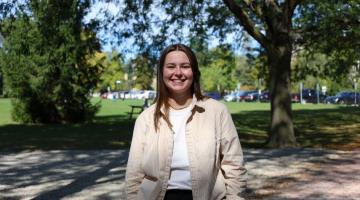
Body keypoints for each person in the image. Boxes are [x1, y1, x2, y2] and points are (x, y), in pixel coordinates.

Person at [125, 44, 247, 200]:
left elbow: (234, 166)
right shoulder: (146, 118)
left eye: (185, 66)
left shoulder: (217, 112)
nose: (178, 73)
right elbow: (134, 174)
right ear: (162, 72)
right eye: (171, 66)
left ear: (194, 72)